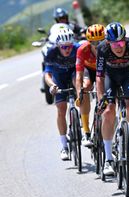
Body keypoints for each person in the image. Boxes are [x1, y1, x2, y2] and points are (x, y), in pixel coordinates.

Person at [96, 22, 129, 176]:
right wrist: (101, 98)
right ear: (108, 42)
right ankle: (108, 160)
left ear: (125, 39)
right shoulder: (102, 49)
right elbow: (99, 77)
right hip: (110, 77)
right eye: (115, 44)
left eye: (121, 42)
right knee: (108, 112)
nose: (119, 47)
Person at [44, 28, 81, 160]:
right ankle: (64, 146)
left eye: (69, 46)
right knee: (61, 109)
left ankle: (83, 121)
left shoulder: (78, 48)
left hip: (73, 74)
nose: (67, 49)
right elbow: (47, 74)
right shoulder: (52, 52)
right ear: (58, 46)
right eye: (64, 47)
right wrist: (52, 85)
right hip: (58, 78)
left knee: (78, 82)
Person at [75, 24, 105, 147]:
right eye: (94, 43)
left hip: (103, 71)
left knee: (103, 90)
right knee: (85, 87)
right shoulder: (82, 50)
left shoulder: (108, 48)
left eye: (101, 42)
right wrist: (79, 94)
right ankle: (86, 132)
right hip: (89, 71)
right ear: (89, 42)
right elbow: (78, 75)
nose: (97, 46)